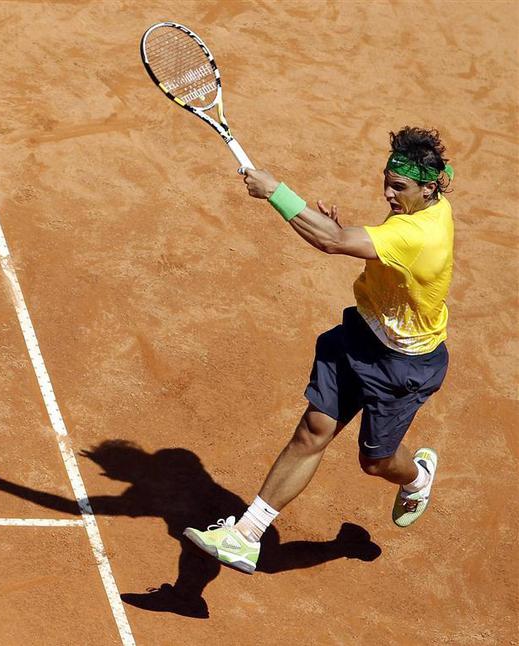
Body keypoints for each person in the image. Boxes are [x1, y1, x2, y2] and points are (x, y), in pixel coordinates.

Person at [183, 126, 455, 574]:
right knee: (313, 429)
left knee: (376, 462)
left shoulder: (422, 234)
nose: (388, 193)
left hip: (403, 365)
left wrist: (275, 193)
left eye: (398, 187)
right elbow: (348, 238)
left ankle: (418, 478)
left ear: (428, 188)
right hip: (361, 336)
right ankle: (245, 537)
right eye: (386, 181)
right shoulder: (423, 203)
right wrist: (334, 227)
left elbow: (333, 243)